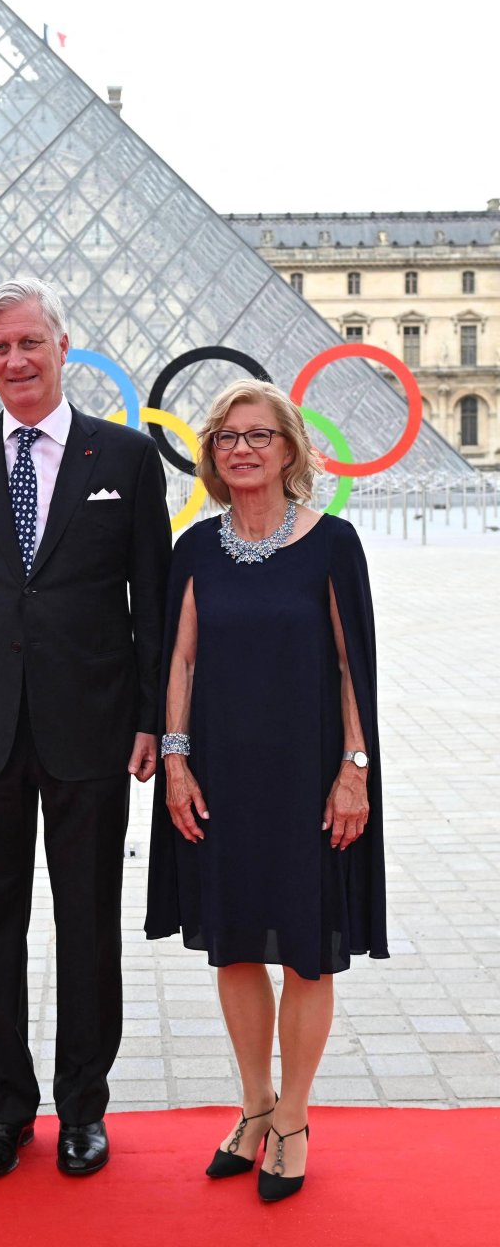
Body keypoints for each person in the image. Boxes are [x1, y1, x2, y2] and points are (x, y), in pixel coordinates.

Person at [0, 277, 172, 1179]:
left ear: (64, 347)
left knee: (88, 923)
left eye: (29, 343)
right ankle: (5, 1108)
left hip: (93, 729)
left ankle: (84, 1109)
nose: (15, 361)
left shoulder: (128, 460)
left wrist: (151, 718)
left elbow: (155, 600)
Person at [145, 379, 386, 1203]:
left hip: (309, 774)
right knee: (237, 941)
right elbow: (177, 661)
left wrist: (354, 772)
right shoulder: (196, 550)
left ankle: (294, 1116)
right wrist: (176, 762)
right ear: (211, 455)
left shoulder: (333, 543)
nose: (241, 449)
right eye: (225, 438)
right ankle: (253, 1107)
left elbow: (355, 665)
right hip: (220, 773)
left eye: (258, 436)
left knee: (309, 951)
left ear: (290, 448)